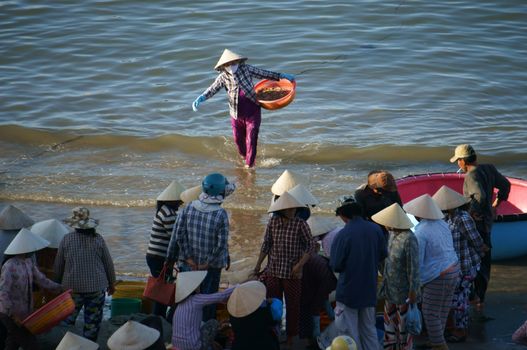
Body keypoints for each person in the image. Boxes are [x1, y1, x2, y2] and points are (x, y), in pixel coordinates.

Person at [191, 49, 295, 168]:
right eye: (227, 65)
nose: (231, 66)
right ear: (223, 67)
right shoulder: (223, 77)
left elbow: (263, 73)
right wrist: (202, 97)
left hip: (252, 110)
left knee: (251, 137)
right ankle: (245, 157)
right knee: (238, 140)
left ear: (238, 62)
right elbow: (212, 89)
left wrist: (281, 76)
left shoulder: (246, 69)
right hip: (235, 114)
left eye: (233, 63)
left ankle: (250, 166)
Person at [449, 144, 510, 312]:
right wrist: (495, 204)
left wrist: (472, 212)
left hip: (478, 225)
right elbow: (505, 185)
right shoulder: (489, 168)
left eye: (458, 161)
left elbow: (480, 196)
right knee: (484, 261)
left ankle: (475, 298)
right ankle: (480, 297)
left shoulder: (471, 175)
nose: (457, 164)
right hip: (487, 222)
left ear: (462, 161)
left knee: (474, 259)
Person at [167, 173, 235, 322]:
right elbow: (220, 244)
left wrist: (189, 257)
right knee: (207, 300)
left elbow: (179, 234)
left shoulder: (189, 207)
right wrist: (207, 262)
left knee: (185, 298)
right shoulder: (220, 214)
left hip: (188, 264)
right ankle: (203, 331)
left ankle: (180, 325)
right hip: (211, 267)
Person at [253, 192, 316, 348]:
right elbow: (266, 244)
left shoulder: (300, 224)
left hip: (293, 273)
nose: (292, 211)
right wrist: (258, 264)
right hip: (273, 270)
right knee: (273, 305)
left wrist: (299, 265)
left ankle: (290, 337)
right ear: (281, 210)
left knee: (293, 305)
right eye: (288, 209)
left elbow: (311, 245)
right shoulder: (273, 222)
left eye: (294, 209)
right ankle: (274, 333)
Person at [330, 196, 387, 350]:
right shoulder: (375, 229)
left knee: (349, 333)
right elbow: (383, 254)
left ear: (343, 214)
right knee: (369, 330)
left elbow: (336, 265)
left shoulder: (343, 234)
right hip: (369, 288)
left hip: (348, 290)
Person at [404, 194, 459, 350]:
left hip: (439, 274)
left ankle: (439, 344)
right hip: (453, 267)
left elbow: (418, 262)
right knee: (442, 308)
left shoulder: (421, 232)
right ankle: (437, 339)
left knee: (429, 312)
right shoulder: (442, 223)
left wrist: (414, 285)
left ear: (418, 214)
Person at [54, 207, 116, 342]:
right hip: (96, 288)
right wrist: (112, 283)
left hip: (72, 289)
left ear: (74, 225)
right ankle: (89, 345)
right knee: (92, 324)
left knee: (67, 321)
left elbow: (58, 266)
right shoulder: (98, 239)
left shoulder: (66, 239)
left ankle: (68, 343)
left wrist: (57, 285)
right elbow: (108, 264)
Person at [432, 185, 485, 342]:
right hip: (455, 265)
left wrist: (481, 251)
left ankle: (461, 330)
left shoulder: (462, 218)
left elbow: (475, 240)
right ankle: (455, 326)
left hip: (465, 265)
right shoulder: (447, 218)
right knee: (456, 298)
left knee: (459, 299)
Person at [0, 228, 63, 350]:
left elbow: (42, 280)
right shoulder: (9, 266)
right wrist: (13, 316)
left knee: (13, 342)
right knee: (30, 344)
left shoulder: (28, 262)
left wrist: (60, 288)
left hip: (24, 313)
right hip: (9, 313)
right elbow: (3, 293)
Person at [372, 203, 420, 350]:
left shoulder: (409, 239)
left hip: (404, 293)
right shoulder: (391, 235)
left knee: (404, 329)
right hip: (390, 290)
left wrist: (413, 292)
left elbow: (414, 268)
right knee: (390, 327)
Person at [146, 180, 185, 318]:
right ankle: (159, 317)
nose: (181, 203)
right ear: (172, 200)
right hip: (159, 257)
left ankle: (158, 316)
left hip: (154, 255)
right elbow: (175, 238)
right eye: (179, 201)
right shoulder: (169, 214)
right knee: (162, 290)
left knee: (160, 287)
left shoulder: (163, 211)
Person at [171, 270, 236, 350]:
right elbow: (221, 296)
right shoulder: (195, 300)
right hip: (193, 347)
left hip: (176, 345)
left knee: (201, 323)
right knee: (213, 323)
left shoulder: (179, 304)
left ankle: (211, 345)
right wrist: (238, 286)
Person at [300, 216, 338, 347]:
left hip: (326, 280)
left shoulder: (306, 257)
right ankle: (334, 323)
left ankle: (316, 338)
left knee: (316, 306)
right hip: (329, 279)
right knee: (324, 300)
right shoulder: (314, 255)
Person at [227, 280, 281, 350]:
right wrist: (272, 300)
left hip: (239, 346)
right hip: (264, 345)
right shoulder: (263, 312)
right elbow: (278, 312)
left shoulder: (234, 315)